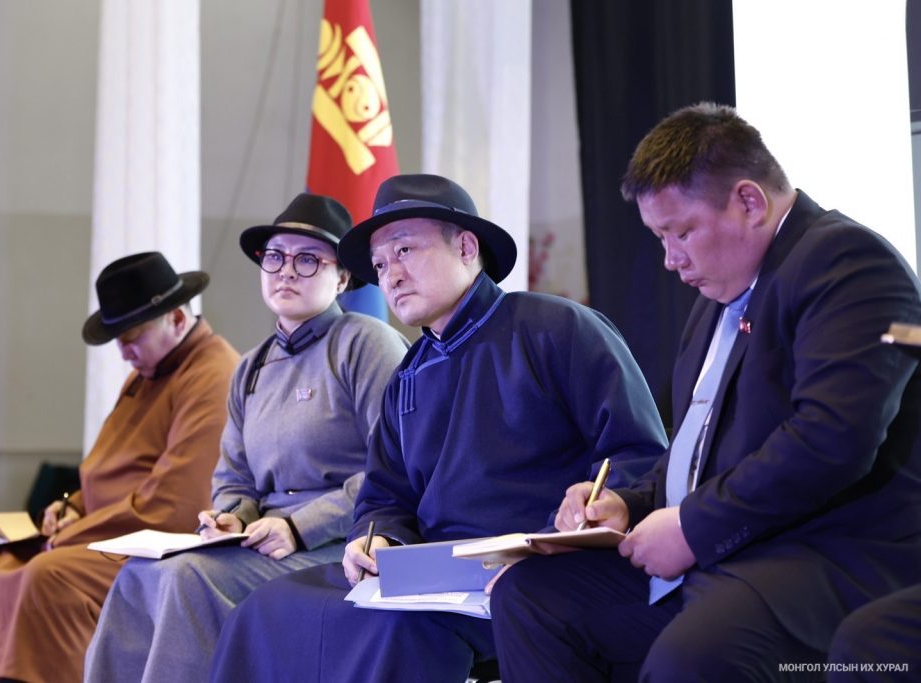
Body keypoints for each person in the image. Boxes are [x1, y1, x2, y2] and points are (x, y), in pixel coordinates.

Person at [490, 102, 921, 681]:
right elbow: (697, 451)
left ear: (749, 202)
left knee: (691, 656)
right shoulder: (717, 297)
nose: (671, 260)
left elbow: (832, 440)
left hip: (822, 555)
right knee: (530, 597)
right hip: (729, 551)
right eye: (660, 238)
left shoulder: (847, 263)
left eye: (682, 232)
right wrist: (629, 504)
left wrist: (694, 526)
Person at [207, 173, 668, 682]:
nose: (391, 275)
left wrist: (601, 502)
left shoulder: (555, 328)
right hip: (431, 572)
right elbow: (384, 497)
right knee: (266, 609)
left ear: (467, 247)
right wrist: (376, 540)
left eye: (404, 250)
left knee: (398, 629)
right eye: (380, 264)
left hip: (535, 569)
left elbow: (640, 453)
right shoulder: (408, 374)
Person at [83, 193, 408, 682]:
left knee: (188, 577)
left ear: (342, 278)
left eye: (307, 260)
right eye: (274, 257)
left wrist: (298, 527)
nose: (286, 272)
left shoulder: (365, 343)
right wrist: (232, 517)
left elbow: (393, 471)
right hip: (263, 541)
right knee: (135, 576)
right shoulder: (252, 366)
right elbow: (233, 477)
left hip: (340, 544)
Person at [0, 252, 240, 683]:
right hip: (109, 530)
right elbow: (109, 466)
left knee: (48, 576)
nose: (125, 353)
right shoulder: (148, 372)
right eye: (119, 341)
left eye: (132, 338)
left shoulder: (213, 374)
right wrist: (71, 506)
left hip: (160, 544)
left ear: (178, 319)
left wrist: (73, 533)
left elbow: (176, 504)